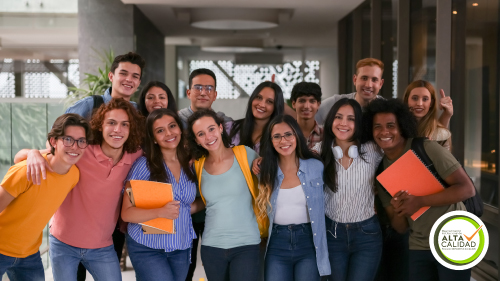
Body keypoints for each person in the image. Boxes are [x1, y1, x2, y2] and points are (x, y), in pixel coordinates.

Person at [14, 98, 144, 281]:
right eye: (111, 123)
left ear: (131, 130)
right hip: (63, 243)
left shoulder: (135, 156)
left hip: (102, 246)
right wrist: (33, 153)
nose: (117, 130)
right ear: (100, 126)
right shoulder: (80, 151)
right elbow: (19, 157)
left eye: (125, 124)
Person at [364, 98, 475, 281]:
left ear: (402, 126)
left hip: (455, 238)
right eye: (377, 126)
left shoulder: (425, 148)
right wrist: (399, 208)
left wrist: (420, 201)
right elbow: (400, 227)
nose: (384, 131)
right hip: (419, 246)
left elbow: (467, 189)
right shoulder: (381, 172)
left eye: (391, 125)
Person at [0, 114, 90, 280]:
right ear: (54, 141)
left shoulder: (74, 175)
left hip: (29, 254)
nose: (75, 147)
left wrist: (32, 151)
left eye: (81, 141)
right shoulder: (26, 170)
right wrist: (32, 153)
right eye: (68, 139)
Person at [187, 109, 267, 281]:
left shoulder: (245, 154)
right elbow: (206, 201)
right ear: (196, 140)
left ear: (221, 128)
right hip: (211, 246)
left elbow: (269, 182)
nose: (208, 137)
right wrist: (179, 210)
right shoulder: (198, 166)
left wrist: (264, 163)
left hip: (246, 244)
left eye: (211, 129)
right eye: (201, 134)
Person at [121, 109, 198, 281]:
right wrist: (160, 212)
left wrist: (209, 203)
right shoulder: (143, 166)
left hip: (181, 245)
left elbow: (187, 205)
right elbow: (126, 213)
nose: (169, 133)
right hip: (148, 246)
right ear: (154, 138)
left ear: (180, 129)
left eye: (172, 126)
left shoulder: (192, 163)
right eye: (160, 130)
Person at [312, 98, 383, 281]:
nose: (344, 123)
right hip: (331, 234)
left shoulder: (373, 150)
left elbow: (400, 149)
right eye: (338, 117)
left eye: (351, 118)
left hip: (367, 234)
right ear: (330, 121)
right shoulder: (317, 152)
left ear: (358, 123)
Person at [257, 114, 330, 281]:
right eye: (276, 136)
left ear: (296, 135)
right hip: (276, 242)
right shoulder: (264, 171)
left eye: (288, 134)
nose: (283, 141)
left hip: (309, 242)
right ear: (271, 141)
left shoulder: (316, 166)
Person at [315, 58, 453, 128]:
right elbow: (306, 122)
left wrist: (446, 115)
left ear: (381, 84)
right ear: (355, 80)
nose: (368, 85)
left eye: (374, 80)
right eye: (364, 78)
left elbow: (429, 133)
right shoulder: (334, 103)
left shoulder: (390, 110)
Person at [66, 52, 145, 120]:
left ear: (138, 82)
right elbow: (58, 131)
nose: (129, 79)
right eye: (123, 73)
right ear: (111, 76)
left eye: (135, 76)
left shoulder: (138, 111)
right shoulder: (90, 105)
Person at [227, 81, 285, 153]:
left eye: (269, 102)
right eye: (258, 97)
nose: (262, 104)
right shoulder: (231, 128)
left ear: (276, 107)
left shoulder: (279, 138)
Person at [403, 80, 452, 150]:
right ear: (407, 100)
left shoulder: (441, 134)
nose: (419, 103)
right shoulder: (397, 128)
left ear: (431, 103)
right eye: (415, 98)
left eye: (425, 99)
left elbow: (446, 160)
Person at [290, 82, 323, 149]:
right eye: (302, 101)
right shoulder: (286, 133)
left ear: (318, 105)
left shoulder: (326, 135)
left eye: (312, 101)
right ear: (293, 104)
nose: (307, 106)